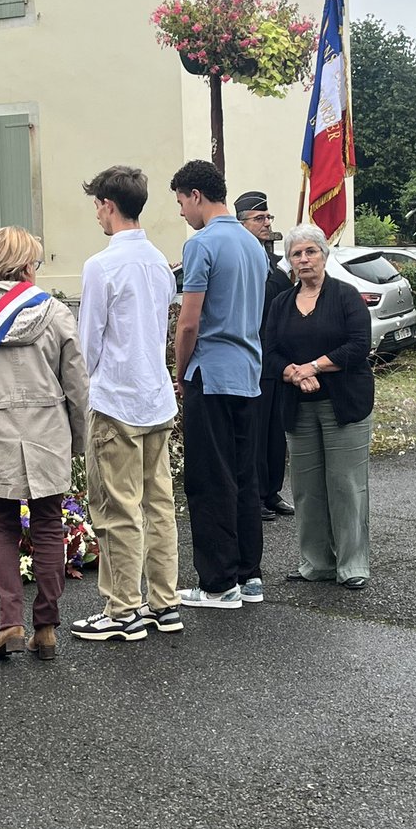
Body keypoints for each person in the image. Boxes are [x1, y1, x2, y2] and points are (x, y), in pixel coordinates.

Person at [0, 226, 88, 660]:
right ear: (28, 265)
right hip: (47, 433)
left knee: (2, 527)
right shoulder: (57, 313)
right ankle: (45, 625)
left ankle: (10, 621)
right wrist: (78, 438)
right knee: (48, 524)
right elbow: (77, 384)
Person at [71, 166, 182, 642]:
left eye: (96, 204)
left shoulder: (102, 265)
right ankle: (165, 601)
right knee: (159, 504)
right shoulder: (159, 260)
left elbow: (87, 342)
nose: (95, 213)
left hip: (116, 397)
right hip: (155, 396)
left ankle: (123, 610)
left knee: (116, 508)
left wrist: (84, 388)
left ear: (108, 206)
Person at [170, 159, 269, 608]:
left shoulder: (201, 244)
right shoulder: (253, 245)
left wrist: (179, 371)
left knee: (210, 480)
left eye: (180, 202)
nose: (181, 213)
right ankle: (249, 575)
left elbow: (189, 323)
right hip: (249, 373)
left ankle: (217, 583)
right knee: (246, 477)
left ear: (195, 196)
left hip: (209, 373)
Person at [264, 223, 374, 589]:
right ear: (290, 262)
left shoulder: (345, 296)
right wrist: (293, 373)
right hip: (298, 406)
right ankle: (316, 563)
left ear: (324, 255)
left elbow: (359, 345)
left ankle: (352, 565)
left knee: (345, 484)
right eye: (297, 253)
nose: (304, 258)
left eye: (311, 251)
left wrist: (314, 366)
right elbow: (269, 351)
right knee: (307, 488)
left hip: (344, 405)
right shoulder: (281, 304)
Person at [234, 189, 296, 522]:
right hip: (247, 358)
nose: (266, 224)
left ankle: (271, 490)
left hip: (274, 359)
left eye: (268, 217)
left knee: (274, 431)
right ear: (242, 223)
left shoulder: (277, 270)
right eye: (259, 218)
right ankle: (253, 494)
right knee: (253, 433)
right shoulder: (238, 262)